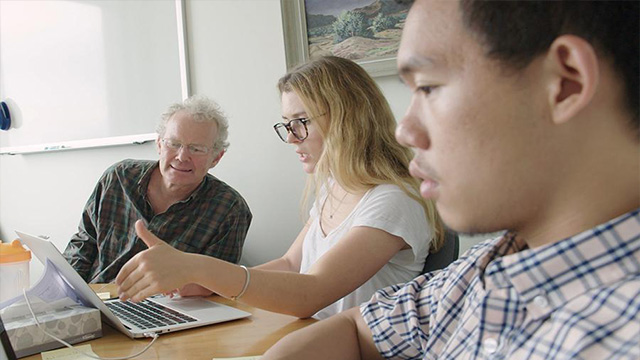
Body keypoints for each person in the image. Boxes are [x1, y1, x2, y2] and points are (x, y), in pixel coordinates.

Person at [262, 0, 640, 358]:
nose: (404, 131)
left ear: (564, 83)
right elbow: (358, 328)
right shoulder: (479, 272)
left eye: (428, 87)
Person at [115, 56, 445, 320]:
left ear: (346, 118)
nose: (290, 137)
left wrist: (198, 267)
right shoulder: (335, 188)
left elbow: (311, 293)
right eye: (287, 125)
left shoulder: (393, 201)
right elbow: (290, 264)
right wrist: (206, 285)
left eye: (301, 122)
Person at [63, 95, 253, 294]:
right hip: (95, 300)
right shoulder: (118, 178)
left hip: (166, 313)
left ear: (216, 158)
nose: (182, 157)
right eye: (174, 143)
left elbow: (215, 287)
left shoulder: (230, 210)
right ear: (159, 145)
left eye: (196, 149)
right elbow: (83, 244)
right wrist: (67, 295)